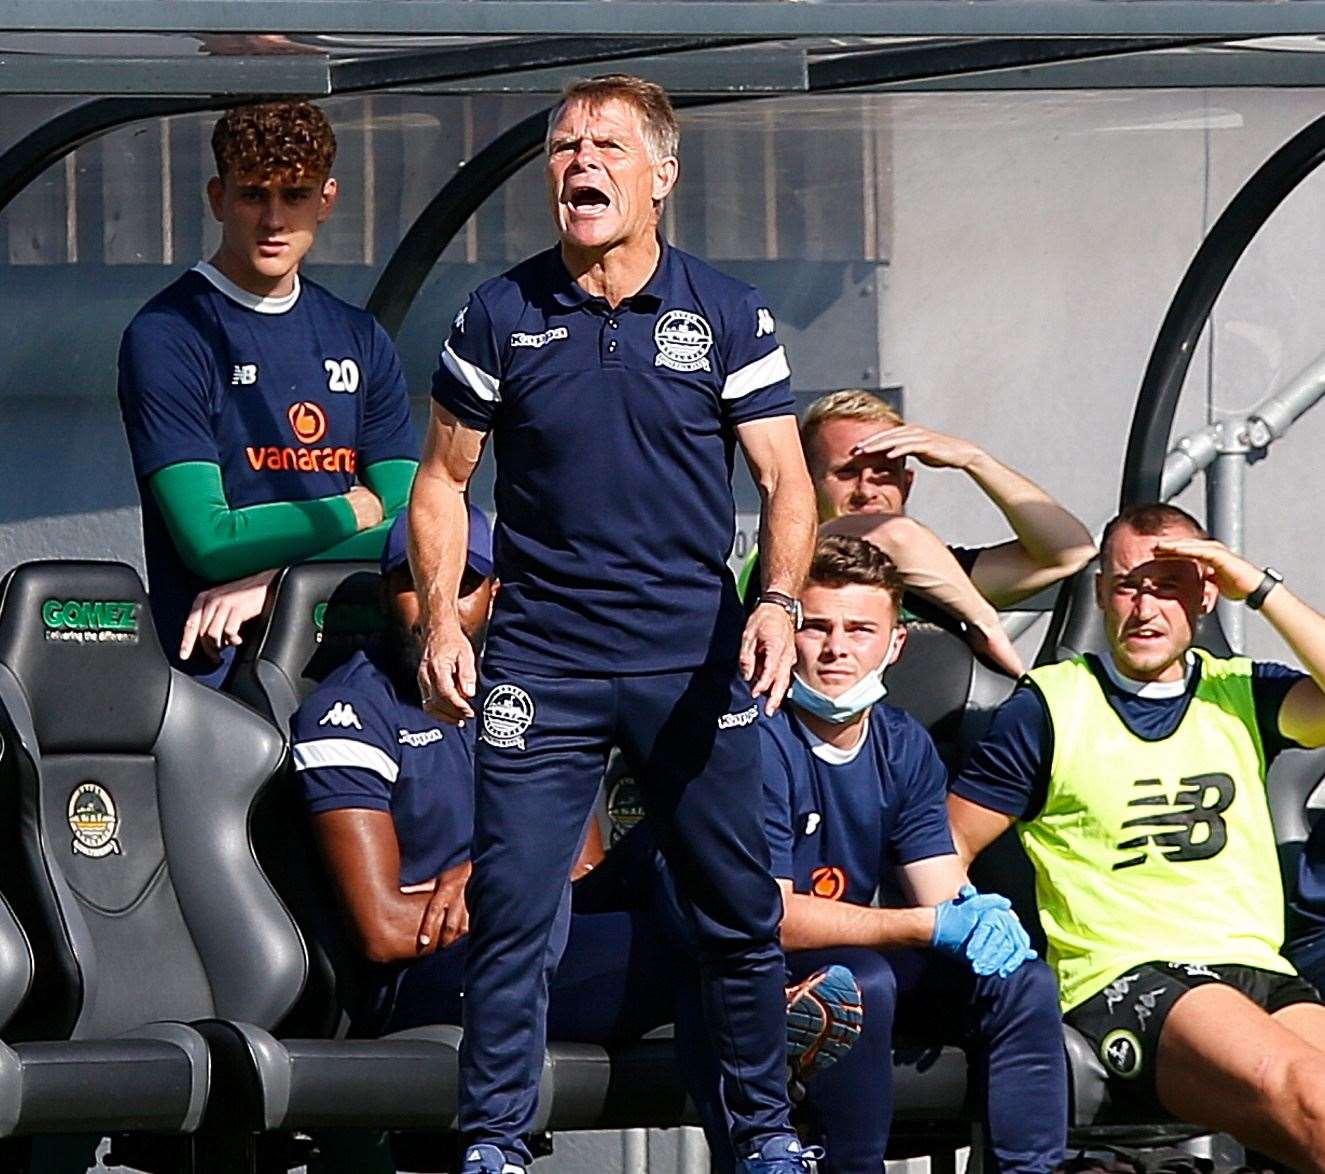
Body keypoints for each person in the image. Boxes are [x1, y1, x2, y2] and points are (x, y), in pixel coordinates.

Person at [410, 74, 819, 1174]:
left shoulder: (726, 311)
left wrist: (776, 601)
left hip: (692, 657)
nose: (577, 163)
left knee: (736, 909)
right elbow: (442, 483)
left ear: (659, 176)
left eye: (603, 146)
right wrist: (443, 623)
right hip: (542, 659)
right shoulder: (498, 311)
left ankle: (764, 1138)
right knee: (511, 907)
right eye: (560, 148)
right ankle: (495, 1141)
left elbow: (787, 483)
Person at [293, 513, 863, 1169]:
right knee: (701, 959)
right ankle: (767, 1075)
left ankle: (763, 1059)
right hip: (436, 977)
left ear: (498, 592)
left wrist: (490, 869)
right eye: (415, 581)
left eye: (466, 582)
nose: (438, 603)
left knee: (677, 850)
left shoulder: (528, 695)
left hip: (535, 928)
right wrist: (501, 882)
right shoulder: (347, 712)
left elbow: (584, 862)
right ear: (388, 590)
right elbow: (383, 931)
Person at [948, 502, 1325, 1172]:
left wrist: (1260, 590)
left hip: (1257, 970)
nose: (1144, 608)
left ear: (1207, 594)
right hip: (1128, 979)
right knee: (1311, 1099)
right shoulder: (1049, 707)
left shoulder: (1241, 691)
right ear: (1099, 591)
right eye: (1126, 585)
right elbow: (947, 847)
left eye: (1168, 585)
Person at [760, 534, 1065, 1174]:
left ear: (896, 643)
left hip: (842, 957)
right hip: (743, 970)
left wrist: (976, 915)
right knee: (858, 985)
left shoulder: (903, 743)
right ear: (786, 633)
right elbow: (771, 915)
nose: (838, 648)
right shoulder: (754, 738)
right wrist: (928, 926)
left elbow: (941, 887)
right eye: (815, 627)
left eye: (860, 629)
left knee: (1020, 981)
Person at [117, 101, 417, 688]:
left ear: (327, 199)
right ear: (217, 197)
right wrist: (352, 508)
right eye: (254, 195)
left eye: (296, 195)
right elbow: (210, 542)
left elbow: (411, 527)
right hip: (217, 671)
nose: (274, 220)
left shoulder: (359, 336)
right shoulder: (170, 334)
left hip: (352, 657)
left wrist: (275, 576)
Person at [742, 391, 1095, 677]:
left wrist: (974, 459)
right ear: (807, 484)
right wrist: (984, 621)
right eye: (847, 473)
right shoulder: (783, 564)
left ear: (906, 484)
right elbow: (896, 536)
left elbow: (1070, 551)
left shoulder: (934, 571)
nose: (867, 490)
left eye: (883, 473)